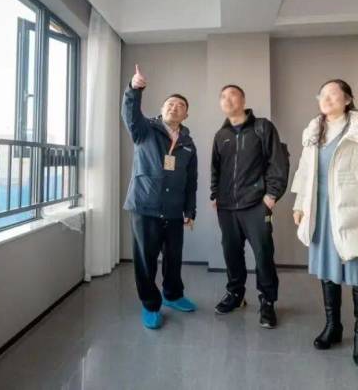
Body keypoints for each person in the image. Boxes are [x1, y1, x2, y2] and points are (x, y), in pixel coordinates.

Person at [291, 78, 358, 368]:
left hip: (351, 211)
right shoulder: (314, 130)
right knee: (328, 271)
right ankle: (333, 326)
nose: (326, 98)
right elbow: (304, 171)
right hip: (320, 211)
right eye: (321, 94)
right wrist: (299, 204)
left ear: (348, 99)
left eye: (333, 94)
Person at [121, 64, 198, 329]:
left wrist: (190, 210)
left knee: (174, 257)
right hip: (145, 205)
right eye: (170, 104)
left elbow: (191, 181)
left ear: (186, 114)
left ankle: (173, 295)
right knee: (146, 260)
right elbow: (130, 115)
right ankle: (150, 304)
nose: (174, 107)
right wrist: (134, 90)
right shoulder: (145, 129)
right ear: (162, 109)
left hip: (174, 210)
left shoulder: (188, 143)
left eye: (180, 105)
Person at [210, 84, 289, 328]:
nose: (227, 99)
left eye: (232, 95)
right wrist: (214, 194)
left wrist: (272, 195)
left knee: (263, 254)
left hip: (256, 204)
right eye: (223, 96)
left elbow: (278, 162)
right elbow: (216, 169)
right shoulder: (221, 135)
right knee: (231, 253)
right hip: (227, 207)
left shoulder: (262, 127)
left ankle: (267, 301)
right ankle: (235, 295)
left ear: (243, 100)